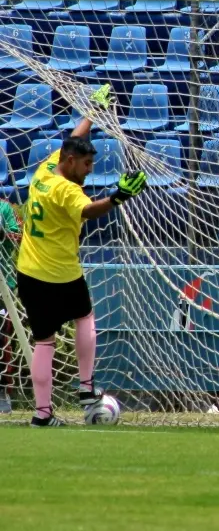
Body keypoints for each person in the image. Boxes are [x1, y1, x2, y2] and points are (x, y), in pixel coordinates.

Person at [21, 86, 148, 426]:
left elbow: (75, 138)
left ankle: (42, 415)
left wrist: (92, 113)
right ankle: (86, 388)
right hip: (60, 272)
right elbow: (89, 211)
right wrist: (119, 197)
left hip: (29, 272)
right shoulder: (65, 190)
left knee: (44, 342)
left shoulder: (47, 170)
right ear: (71, 162)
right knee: (85, 317)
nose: (90, 170)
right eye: (88, 164)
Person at [0, 198, 23, 414]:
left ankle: (2, 391)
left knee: (1, 337)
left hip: (2, 283)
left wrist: (3, 233)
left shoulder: (5, 208)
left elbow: (19, 237)